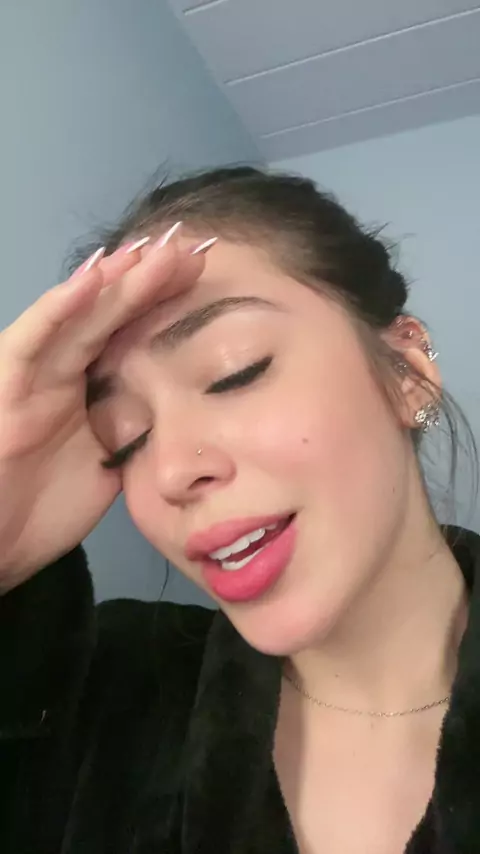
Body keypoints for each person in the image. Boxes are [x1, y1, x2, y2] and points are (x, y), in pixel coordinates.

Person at [0, 166, 478, 854]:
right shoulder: (101, 696)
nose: (171, 471)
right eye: (125, 437)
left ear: (408, 373)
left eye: (234, 371)